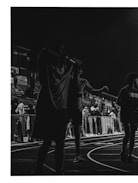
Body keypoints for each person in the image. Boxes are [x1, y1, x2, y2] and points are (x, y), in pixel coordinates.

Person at [32, 40, 79, 175]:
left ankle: (58, 171)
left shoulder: (66, 69)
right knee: (47, 143)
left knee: (59, 143)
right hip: (48, 108)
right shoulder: (47, 69)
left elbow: (78, 67)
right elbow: (43, 53)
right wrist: (62, 56)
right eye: (58, 50)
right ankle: (39, 169)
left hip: (61, 110)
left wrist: (66, 58)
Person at [68, 65, 109, 163]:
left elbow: (93, 90)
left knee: (77, 133)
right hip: (68, 108)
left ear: (80, 71)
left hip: (77, 109)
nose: (77, 72)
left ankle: (78, 155)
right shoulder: (69, 80)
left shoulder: (83, 82)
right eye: (76, 70)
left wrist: (102, 89)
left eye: (79, 70)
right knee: (63, 131)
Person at [117, 72, 138, 163]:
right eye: (137, 80)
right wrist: (128, 106)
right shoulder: (124, 90)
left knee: (133, 135)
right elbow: (119, 102)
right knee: (128, 134)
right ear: (134, 80)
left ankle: (130, 154)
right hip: (126, 114)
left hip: (134, 115)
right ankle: (123, 151)